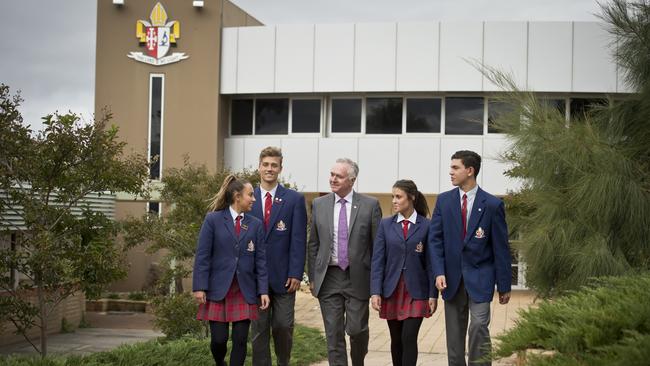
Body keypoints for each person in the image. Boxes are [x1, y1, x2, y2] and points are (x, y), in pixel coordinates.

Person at [428, 150, 511, 366]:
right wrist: (438, 272)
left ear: (470, 170)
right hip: (451, 281)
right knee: (454, 340)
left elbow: (501, 248)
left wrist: (504, 285)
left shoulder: (493, 205)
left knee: (479, 326)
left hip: (481, 278)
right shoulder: (444, 201)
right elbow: (435, 241)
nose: (451, 172)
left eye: (455, 168)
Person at [307, 158, 382, 366]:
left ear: (352, 180)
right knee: (333, 333)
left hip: (358, 277)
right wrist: (312, 277)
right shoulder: (319, 204)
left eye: (338, 176)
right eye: (331, 174)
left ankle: (358, 361)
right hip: (328, 277)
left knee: (357, 329)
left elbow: (377, 248)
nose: (332, 179)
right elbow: (313, 244)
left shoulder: (370, 205)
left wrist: (377, 285)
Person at [192, 175, 270, 366]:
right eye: (250, 195)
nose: (253, 199)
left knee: (241, 340)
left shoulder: (255, 225)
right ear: (237, 196)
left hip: (244, 291)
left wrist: (263, 291)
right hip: (218, 290)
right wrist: (199, 287)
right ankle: (220, 363)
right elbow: (202, 256)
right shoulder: (213, 220)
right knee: (218, 341)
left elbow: (260, 261)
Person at [370, 179, 438, 366]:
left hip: (417, 292)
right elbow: (378, 260)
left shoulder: (427, 225)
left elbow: (432, 263)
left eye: (398, 196)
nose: (394, 200)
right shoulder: (385, 225)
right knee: (396, 339)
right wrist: (375, 291)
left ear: (412, 198)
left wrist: (433, 295)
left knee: (409, 337)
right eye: (393, 196)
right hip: (391, 290)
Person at [250, 147, 307, 366]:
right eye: (266, 164)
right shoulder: (248, 198)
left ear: (280, 168)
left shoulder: (294, 199)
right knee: (259, 332)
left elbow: (298, 239)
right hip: (255, 279)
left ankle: (283, 361)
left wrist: (296, 272)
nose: (269, 169)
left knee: (283, 326)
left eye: (274, 165)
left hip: (285, 278)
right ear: (259, 167)